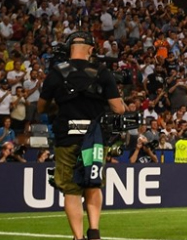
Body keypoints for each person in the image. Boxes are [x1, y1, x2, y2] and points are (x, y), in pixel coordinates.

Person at [37, 31, 126, 240]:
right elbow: (118, 109)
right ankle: (94, 231)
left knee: (71, 189)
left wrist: (57, 106)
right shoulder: (102, 72)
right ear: (92, 49)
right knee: (92, 183)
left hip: (67, 136)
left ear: (69, 49)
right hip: (93, 137)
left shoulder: (57, 73)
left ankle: (78, 237)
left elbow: (41, 107)